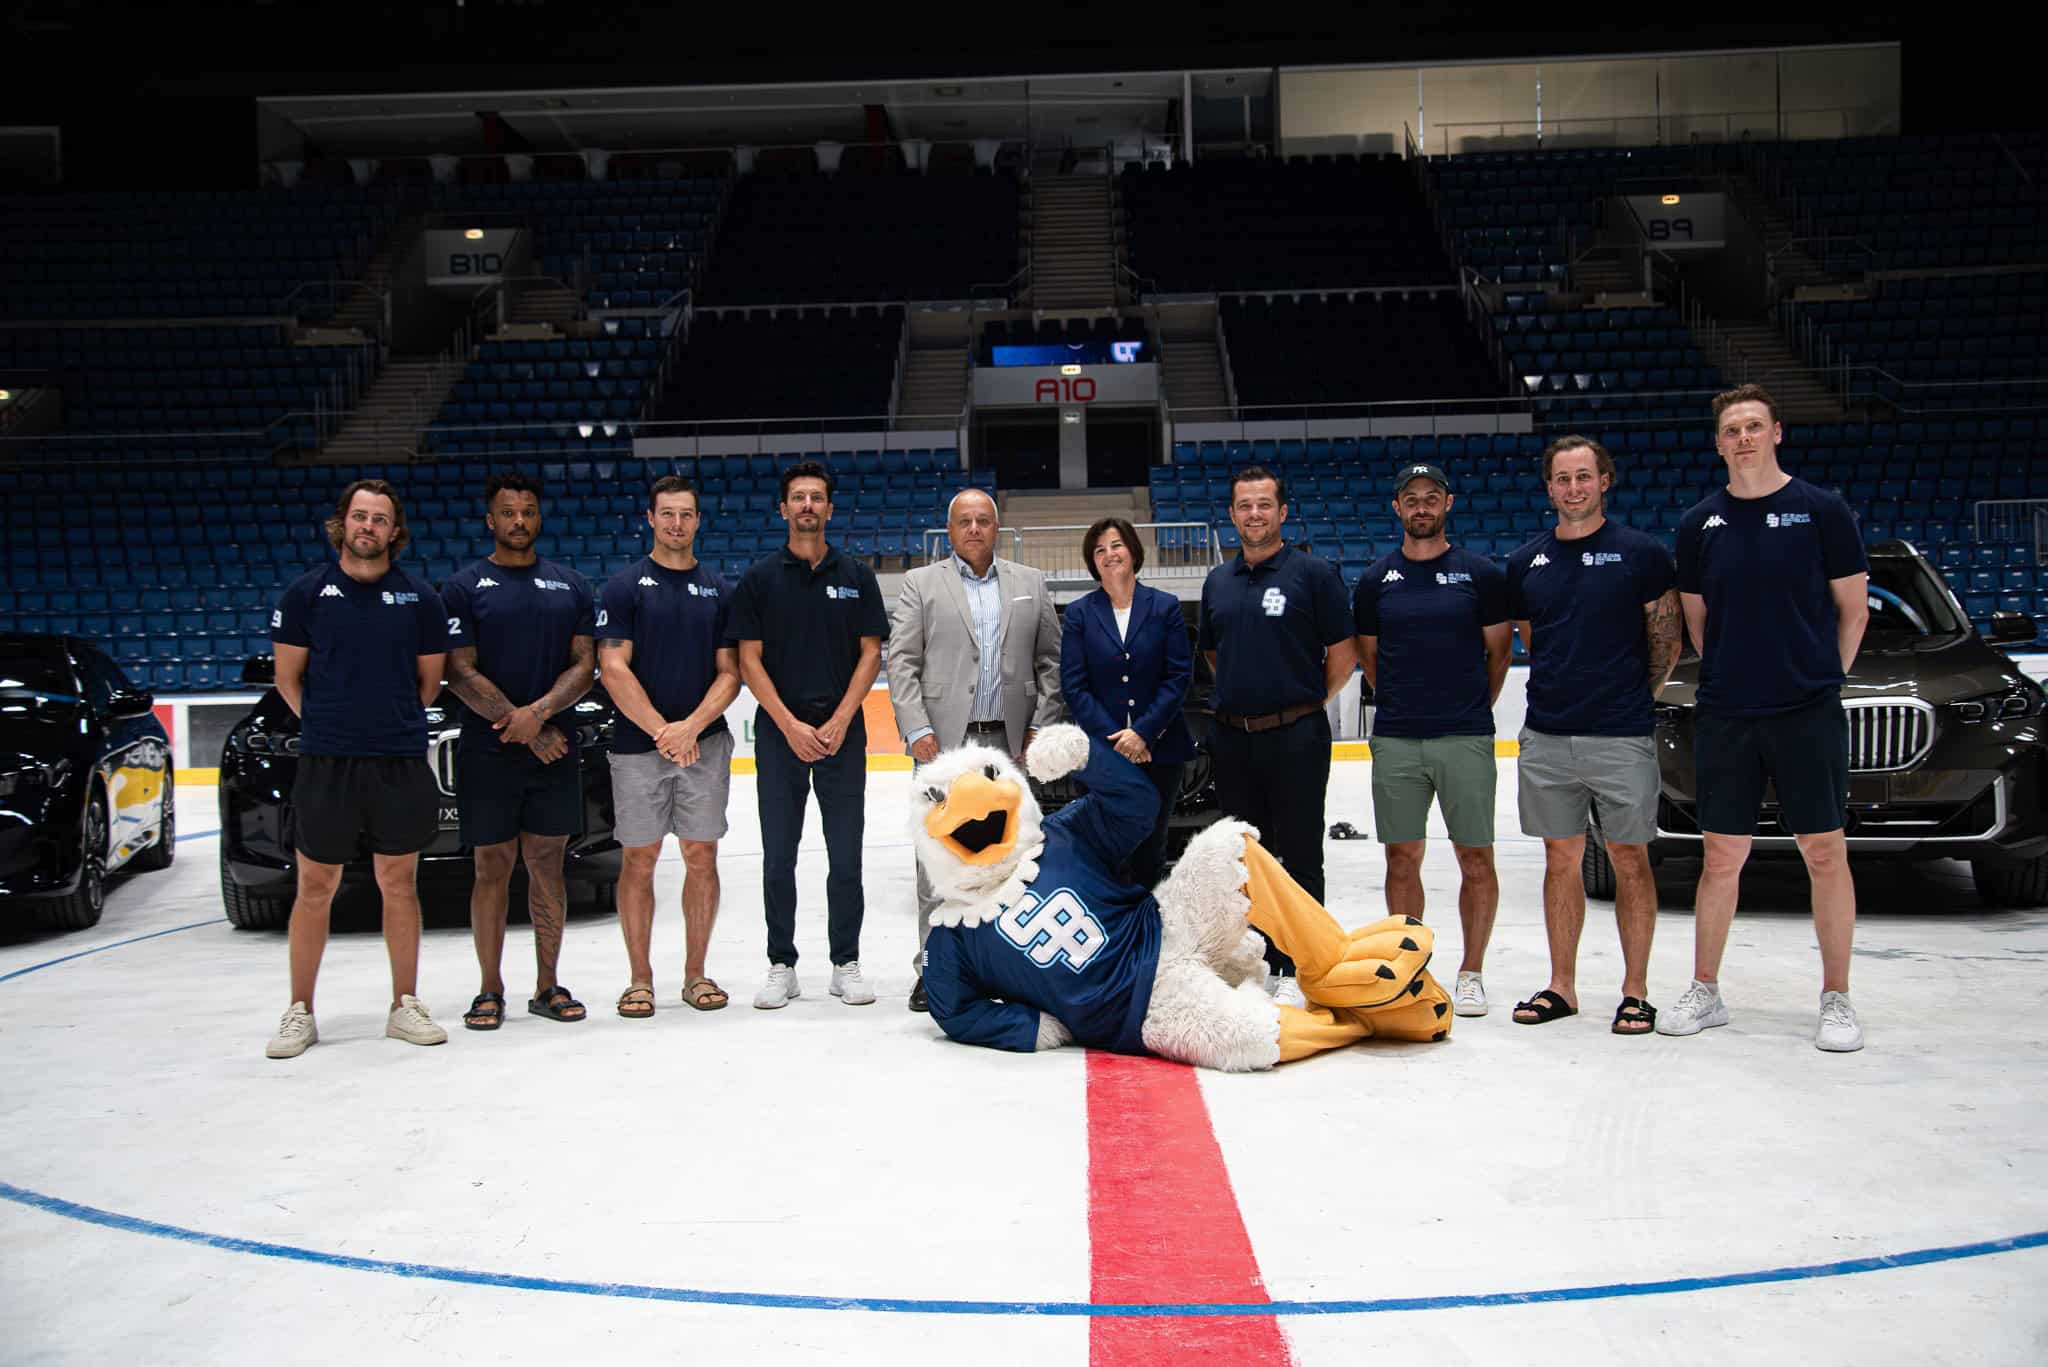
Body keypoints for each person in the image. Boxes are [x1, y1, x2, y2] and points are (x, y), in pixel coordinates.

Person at [1666, 384, 1870, 1051]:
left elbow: (1853, 611)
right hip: (1728, 711)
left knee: (1824, 850)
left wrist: (1822, 678)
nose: (1744, 438)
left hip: (1807, 708)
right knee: (1721, 854)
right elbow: (1698, 622)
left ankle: (1836, 997)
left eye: (1755, 426)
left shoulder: (1822, 511)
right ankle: (1706, 988)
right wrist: (1736, 674)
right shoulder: (1699, 524)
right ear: (1718, 443)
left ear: (1777, 432)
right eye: (1732, 430)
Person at [263, 479, 450, 1059]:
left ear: (395, 531)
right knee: (316, 885)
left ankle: (405, 1004)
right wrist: (332, 725)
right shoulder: (306, 595)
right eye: (360, 516)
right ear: (342, 523)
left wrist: (384, 724)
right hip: (327, 761)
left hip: (397, 759)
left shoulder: (421, 600)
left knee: (399, 882)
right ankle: (299, 1010)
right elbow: (287, 679)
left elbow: (428, 684)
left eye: (380, 519)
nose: (369, 527)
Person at [1504, 437, 1682, 1036]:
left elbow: (1666, 643)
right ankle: (1562, 985)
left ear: (1605, 480)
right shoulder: (1526, 563)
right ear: (1549, 488)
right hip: (1548, 734)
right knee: (1561, 860)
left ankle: (1636, 991)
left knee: (1630, 858)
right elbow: (1534, 638)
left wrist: (1630, 697)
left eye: (1584, 476)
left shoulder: (1642, 554)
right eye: (1562, 478)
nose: (1573, 488)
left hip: (1620, 734)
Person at [886, 487, 1063, 1012]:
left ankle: (1002, 970)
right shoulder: (921, 583)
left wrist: (1040, 725)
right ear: (950, 530)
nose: (974, 529)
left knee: (1009, 859)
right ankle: (932, 970)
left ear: (996, 526)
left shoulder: (1030, 582)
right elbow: (902, 662)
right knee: (936, 863)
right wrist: (916, 729)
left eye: (983, 520)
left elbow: (1051, 663)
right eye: (964, 521)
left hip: (1009, 746)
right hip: (942, 746)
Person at [727, 460, 887, 1010]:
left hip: (843, 732)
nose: (807, 506)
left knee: (846, 856)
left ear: (830, 509)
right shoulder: (759, 580)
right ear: (783, 509)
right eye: (798, 497)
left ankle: (846, 962)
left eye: (816, 497)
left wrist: (840, 719)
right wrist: (789, 724)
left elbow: (871, 653)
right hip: (781, 734)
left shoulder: (857, 576)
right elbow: (748, 660)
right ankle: (782, 964)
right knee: (779, 857)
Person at [1353, 462, 1510, 1018]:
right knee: (1402, 857)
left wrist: (1469, 707)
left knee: (1476, 857)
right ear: (1397, 507)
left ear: (1448, 504)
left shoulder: (1480, 574)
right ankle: (1410, 968)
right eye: (1412, 498)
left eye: (1431, 497)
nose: (1422, 506)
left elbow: (1499, 654)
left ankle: (1472, 972)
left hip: (1465, 735)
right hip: (1397, 738)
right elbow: (1370, 659)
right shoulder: (1375, 580)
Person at [441, 470, 598, 1031]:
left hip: (554, 746)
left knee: (547, 864)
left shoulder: (570, 585)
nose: (519, 521)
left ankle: (547, 985)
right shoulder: (463, 588)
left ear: (539, 518)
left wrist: (541, 714)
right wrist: (527, 726)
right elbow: (459, 672)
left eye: (528, 511)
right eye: (508, 512)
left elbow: (585, 664)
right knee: (491, 867)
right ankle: (489, 989)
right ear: (491, 520)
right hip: (491, 751)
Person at [1198, 466, 1357, 1005]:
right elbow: (1214, 653)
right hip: (1234, 739)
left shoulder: (1313, 574)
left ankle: (1301, 967)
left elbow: (1343, 655)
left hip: (1297, 737)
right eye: (1244, 505)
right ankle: (1259, 961)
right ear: (1232, 514)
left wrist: (1302, 701)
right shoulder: (1217, 581)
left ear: (1282, 512)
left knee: (1300, 854)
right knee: (1247, 861)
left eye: (1264, 504)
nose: (1254, 514)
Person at [595, 475, 742, 1019]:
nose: (676, 523)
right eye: (667, 514)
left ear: (698, 521)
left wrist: (690, 729)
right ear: (650, 519)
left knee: (702, 855)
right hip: (638, 748)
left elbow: (731, 673)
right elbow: (613, 667)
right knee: (640, 858)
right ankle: (640, 980)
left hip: (704, 745)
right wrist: (664, 731)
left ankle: (696, 974)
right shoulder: (624, 587)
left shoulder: (720, 591)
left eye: (686, 514)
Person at [1059, 516, 1193, 887]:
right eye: (1099, 550)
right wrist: (1118, 740)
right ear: (1093, 562)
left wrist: (1143, 734)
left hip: (1160, 751)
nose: (1109, 554)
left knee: (1151, 847)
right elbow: (1074, 686)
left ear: (1133, 551)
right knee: (1107, 850)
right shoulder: (1079, 613)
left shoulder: (1165, 607)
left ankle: (1147, 920)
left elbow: (1178, 677)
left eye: (1116, 545)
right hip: (1102, 754)